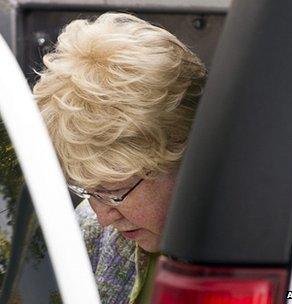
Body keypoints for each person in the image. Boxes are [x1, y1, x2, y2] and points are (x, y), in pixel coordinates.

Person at [33, 11, 207, 304]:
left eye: (113, 193)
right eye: (88, 192)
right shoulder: (88, 228)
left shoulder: (253, 250)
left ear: (186, 156)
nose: (102, 218)